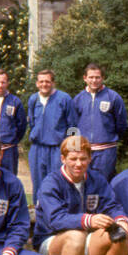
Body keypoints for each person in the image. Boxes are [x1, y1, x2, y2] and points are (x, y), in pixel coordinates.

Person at [32, 135, 128, 255]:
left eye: (83, 158)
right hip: (52, 245)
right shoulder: (51, 182)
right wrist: (89, 219)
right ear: (63, 159)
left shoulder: (96, 179)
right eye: (73, 158)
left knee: (122, 235)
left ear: (90, 159)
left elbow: (112, 205)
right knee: (75, 236)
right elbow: (56, 220)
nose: (78, 164)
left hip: (83, 242)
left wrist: (122, 220)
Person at [27, 68, 78, 203]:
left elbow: (73, 126)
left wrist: (72, 150)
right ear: (37, 83)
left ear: (53, 83)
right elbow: (32, 123)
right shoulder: (33, 99)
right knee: (38, 182)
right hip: (37, 148)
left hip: (57, 148)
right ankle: (38, 213)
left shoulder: (64, 98)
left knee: (58, 181)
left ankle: (59, 212)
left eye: (47, 81)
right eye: (41, 81)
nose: (44, 84)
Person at [70, 63, 128, 181]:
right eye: (91, 77)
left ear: (102, 78)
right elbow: (72, 126)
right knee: (83, 183)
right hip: (84, 151)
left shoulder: (113, 97)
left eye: (97, 77)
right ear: (85, 78)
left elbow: (121, 124)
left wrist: (110, 138)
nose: (94, 80)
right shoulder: (78, 99)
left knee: (103, 184)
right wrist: (75, 148)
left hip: (106, 151)